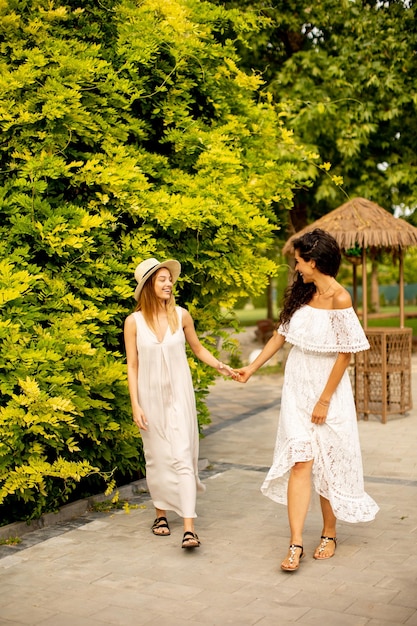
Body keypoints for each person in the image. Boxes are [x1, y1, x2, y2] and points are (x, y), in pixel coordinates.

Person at [235, 229, 379, 571]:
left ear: (314, 261)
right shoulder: (302, 293)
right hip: (297, 387)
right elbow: (280, 335)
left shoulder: (340, 298)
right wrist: (251, 368)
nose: (296, 266)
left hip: (327, 390)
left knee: (328, 462)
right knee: (300, 461)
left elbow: (346, 353)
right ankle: (295, 543)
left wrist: (325, 401)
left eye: (299, 261)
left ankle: (329, 534)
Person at [124, 258, 234, 549]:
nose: (169, 283)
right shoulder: (133, 323)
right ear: (149, 285)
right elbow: (132, 366)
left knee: (183, 455)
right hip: (149, 399)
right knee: (157, 457)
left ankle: (189, 527)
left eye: (169, 278)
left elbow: (198, 349)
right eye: (161, 279)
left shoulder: (182, 315)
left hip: (179, 397)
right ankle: (160, 514)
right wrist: (135, 404)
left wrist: (222, 366)